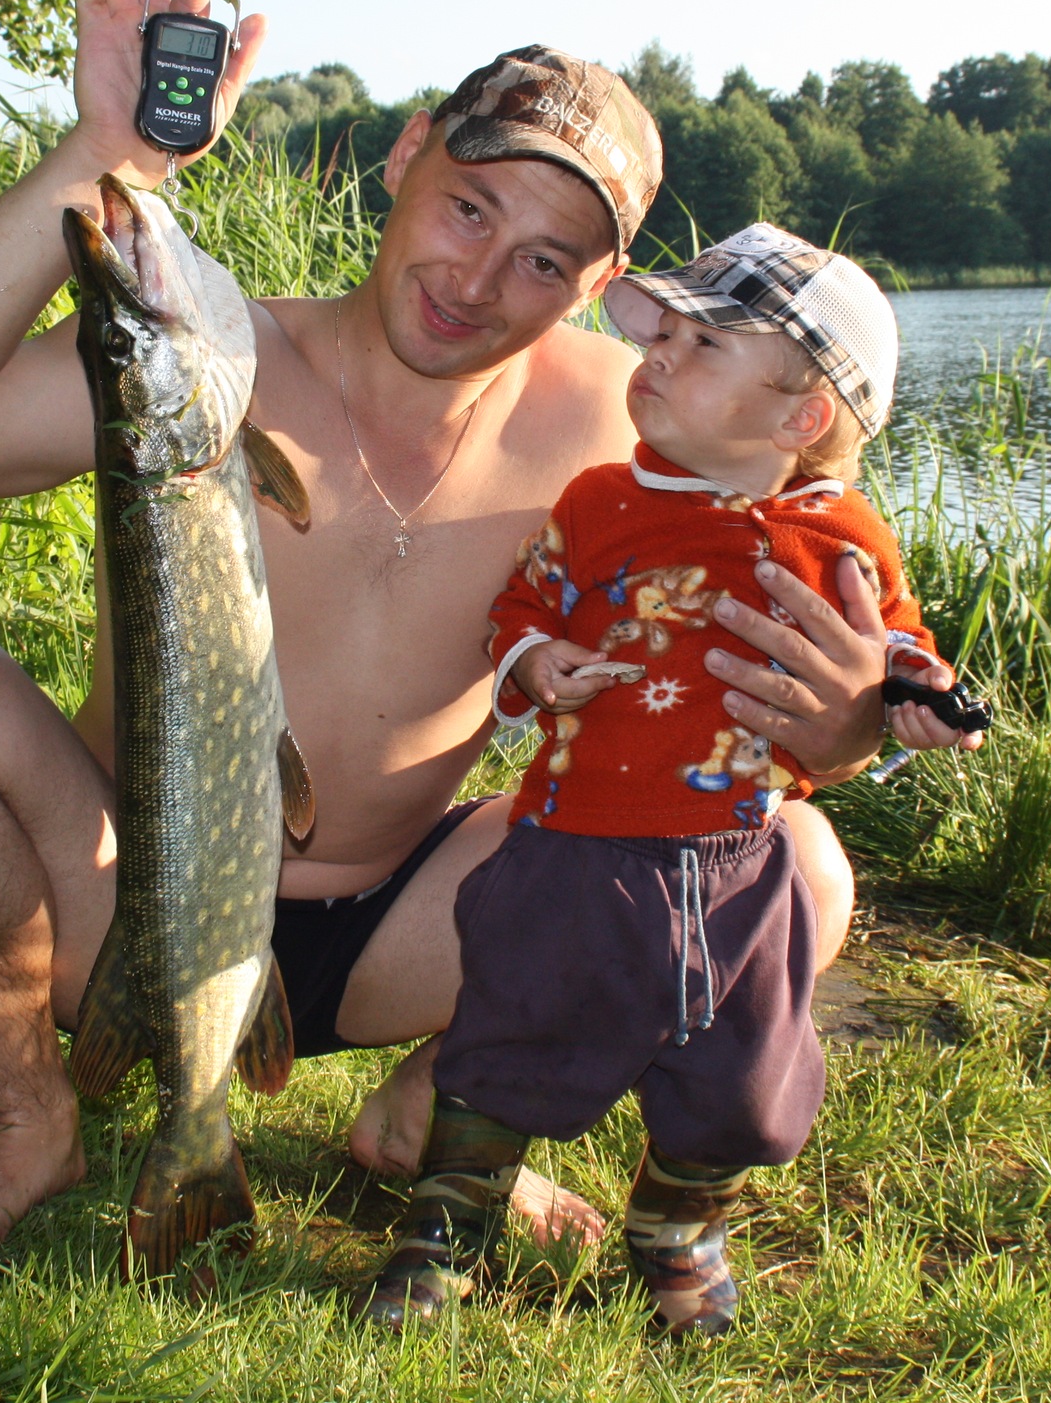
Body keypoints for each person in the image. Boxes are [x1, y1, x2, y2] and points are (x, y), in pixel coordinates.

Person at [0, 0, 971, 1260]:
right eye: (468, 207)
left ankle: (444, 1111)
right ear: (408, 154)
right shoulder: (200, 366)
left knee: (795, 863)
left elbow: (808, 663)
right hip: (132, 885)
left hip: (416, 922)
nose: (477, 279)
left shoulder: (633, 429)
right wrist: (98, 156)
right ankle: (29, 1117)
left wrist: (841, 731)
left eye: (543, 258)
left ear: (600, 280)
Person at [358, 224, 979, 1335]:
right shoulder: (600, 502)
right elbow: (524, 605)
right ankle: (447, 1224)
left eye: (703, 345)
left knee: (740, 1076)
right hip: (573, 844)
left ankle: (679, 1225)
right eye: (664, 335)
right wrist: (533, 662)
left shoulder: (841, 537)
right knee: (511, 1035)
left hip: (741, 860)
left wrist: (918, 695)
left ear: (801, 419)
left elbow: (893, 640)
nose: (658, 355)